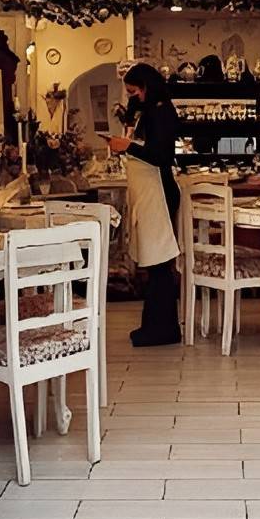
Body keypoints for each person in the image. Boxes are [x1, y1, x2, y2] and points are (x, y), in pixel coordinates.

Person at [107, 63, 182, 347]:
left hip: (159, 192)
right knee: (153, 264)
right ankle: (153, 326)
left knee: (160, 263)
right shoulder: (149, 110)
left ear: (147, 87)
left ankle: (164, 330)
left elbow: (161, 155)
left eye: (134, 91)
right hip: (150, 193)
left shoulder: (162, 111)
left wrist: (128, 147)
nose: (133, 96)